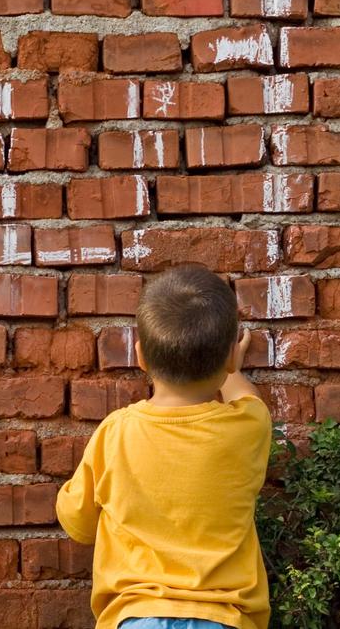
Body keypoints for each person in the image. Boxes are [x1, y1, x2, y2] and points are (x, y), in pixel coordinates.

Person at [56, 265, 271, 629]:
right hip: (224, 618)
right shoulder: (248, 426)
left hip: (135, 616)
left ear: (140, 357)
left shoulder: (115, 433)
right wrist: (231, 364)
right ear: (231, 358)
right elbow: (246, 396)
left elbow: (77, 522)